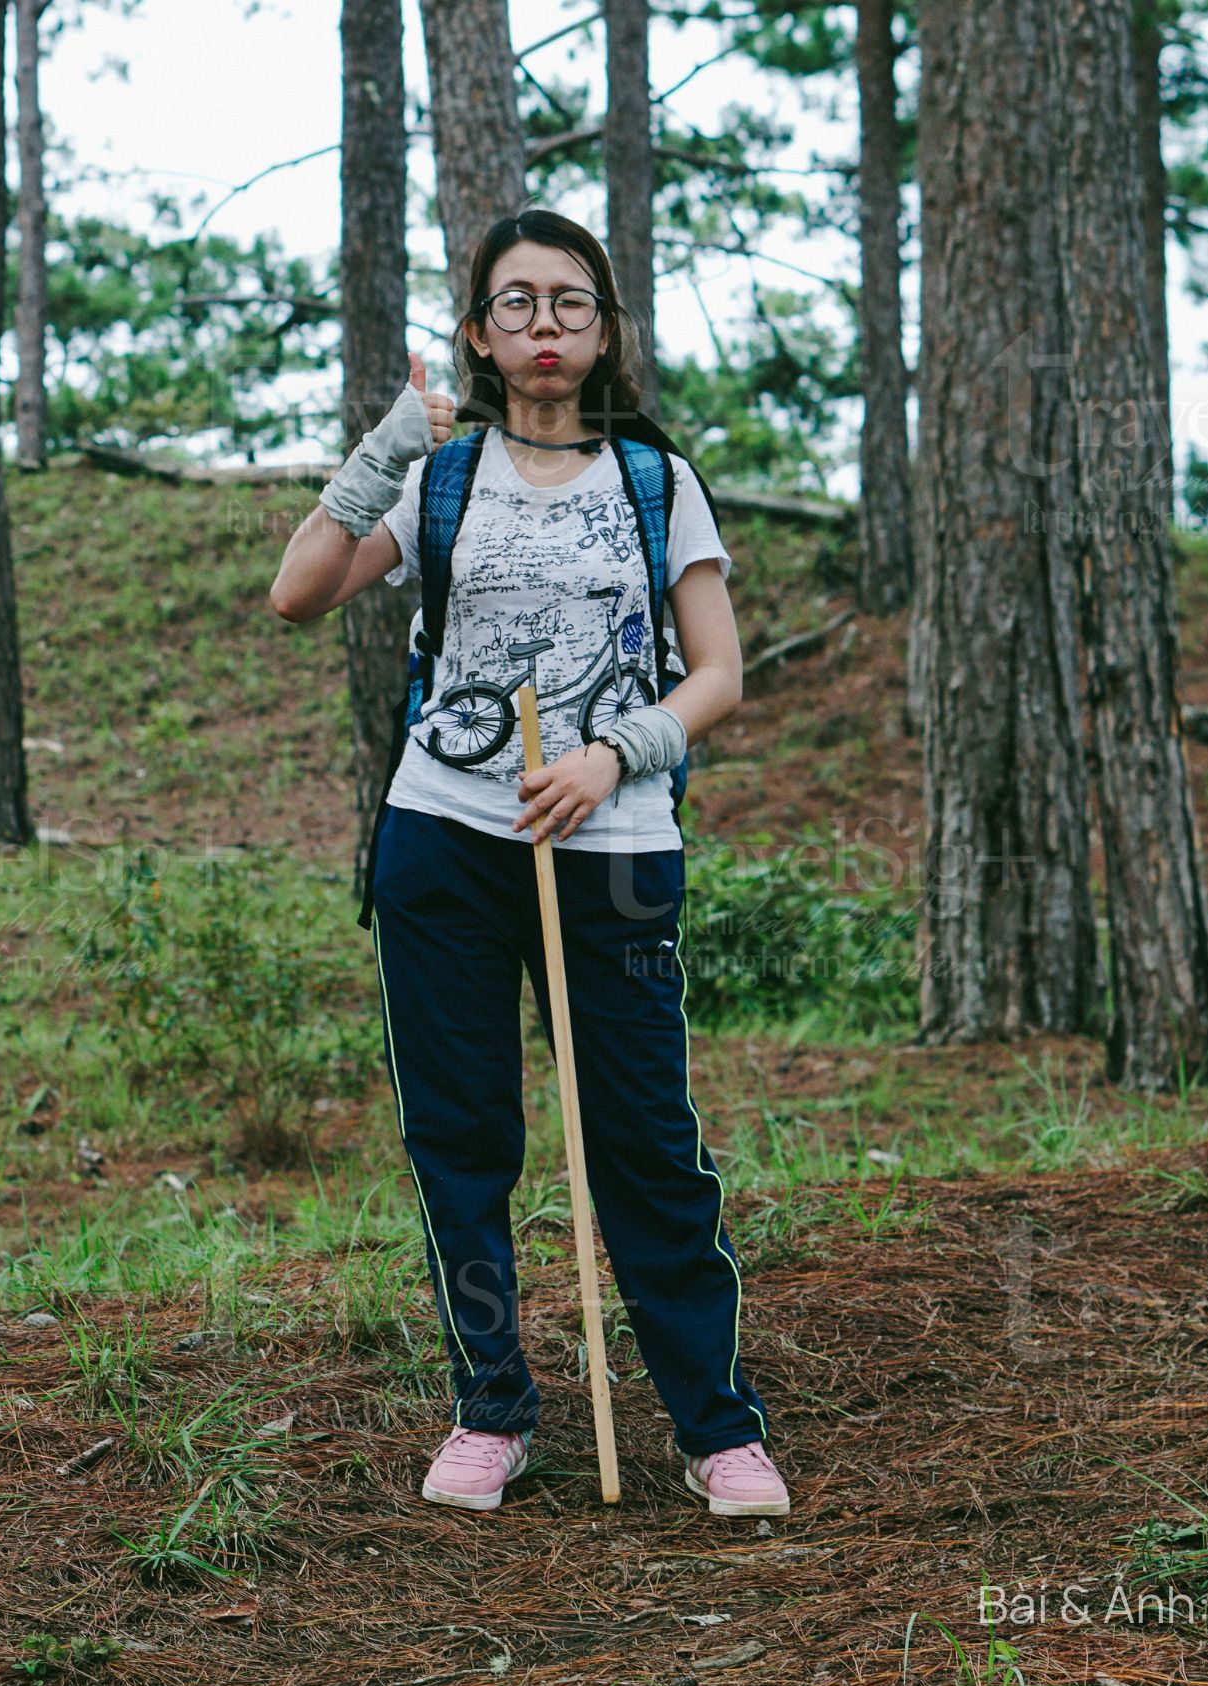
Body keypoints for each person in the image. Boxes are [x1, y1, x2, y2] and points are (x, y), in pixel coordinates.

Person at [267, 208, 788, 1518]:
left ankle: (717, 1426)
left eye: (568, 302)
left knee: (645, 1144)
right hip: (442, 838)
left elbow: (719, 672)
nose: (543, 325)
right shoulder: (440, 481)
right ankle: (491, 1407)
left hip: (611, 850)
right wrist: (395, 436)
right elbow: (298, 590)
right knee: (462, 1137)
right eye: (516, 303)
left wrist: (617, 754)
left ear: (604, 328)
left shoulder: (656, 482)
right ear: (481, 333)